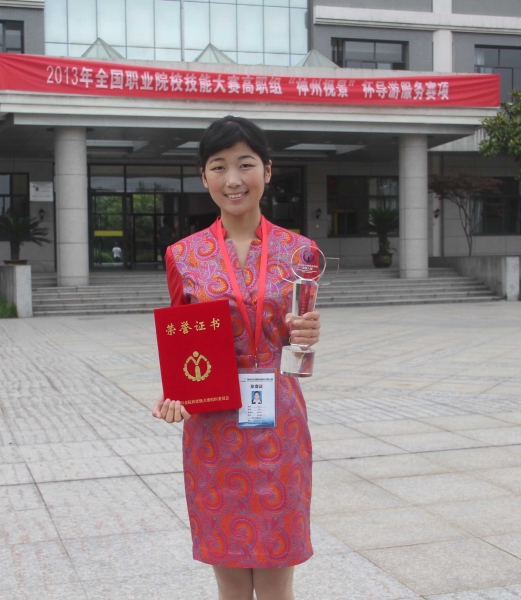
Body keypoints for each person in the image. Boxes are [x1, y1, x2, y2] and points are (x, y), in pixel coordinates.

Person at [152, 116, 321, 600]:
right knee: (229, 577)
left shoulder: (301, 252)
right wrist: (175, 395)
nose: (233, 179)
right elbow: (183, 341)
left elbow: (299, 345)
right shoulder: (184, 255)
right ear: (203, 176)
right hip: (214, 431)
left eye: (245, 164)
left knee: (276, 576)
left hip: (280, 427)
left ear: (267, 170)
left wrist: (307, 335)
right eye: (218, 166)